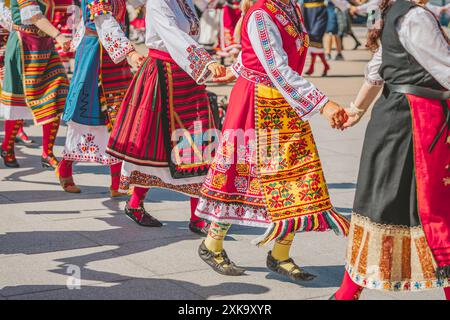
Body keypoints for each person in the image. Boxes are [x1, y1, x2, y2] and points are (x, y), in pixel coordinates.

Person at [194, 0, 350, 280]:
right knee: (240, 175)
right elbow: (276, 67)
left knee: (298, 177)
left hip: (284, 104)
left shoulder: (288, 8)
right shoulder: (261, 13)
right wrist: (322, 104)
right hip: (256, 104)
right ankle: (211, 244)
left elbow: (258, 54)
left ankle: (280, 253)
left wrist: (236, 67)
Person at [332, 0, 450, 300]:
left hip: (394, 118)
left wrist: (357, 108)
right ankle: (346, 293)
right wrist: (357, 109)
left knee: (382, 205)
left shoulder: (397, 11)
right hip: (414, 121)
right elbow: (446, 70)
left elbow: (377, 69)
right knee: (432, 209)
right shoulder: (415, 16)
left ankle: (346, 294)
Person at [106, 0, 226, 234]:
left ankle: (197, 216)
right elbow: (173, 35)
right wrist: (206, 61)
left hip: (188, 75)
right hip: (163, 73)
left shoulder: (185, 1)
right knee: (154, 144)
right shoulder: (158, 1)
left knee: (198, 141)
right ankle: (135, 203)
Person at [56, 0, 143, 195]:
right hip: (95, 53)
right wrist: (129, 51)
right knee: (87, 110)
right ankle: (65, 166)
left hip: (114, 54)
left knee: (117, 115)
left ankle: (116, 181)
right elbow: (104, 20)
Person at [0, 0, 70, 169]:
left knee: (57, 92)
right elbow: (33, 16)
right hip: (24, 46)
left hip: (44, 45)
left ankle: (48, 153)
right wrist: (59, 36)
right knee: (20, 100)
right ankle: (7, 146)